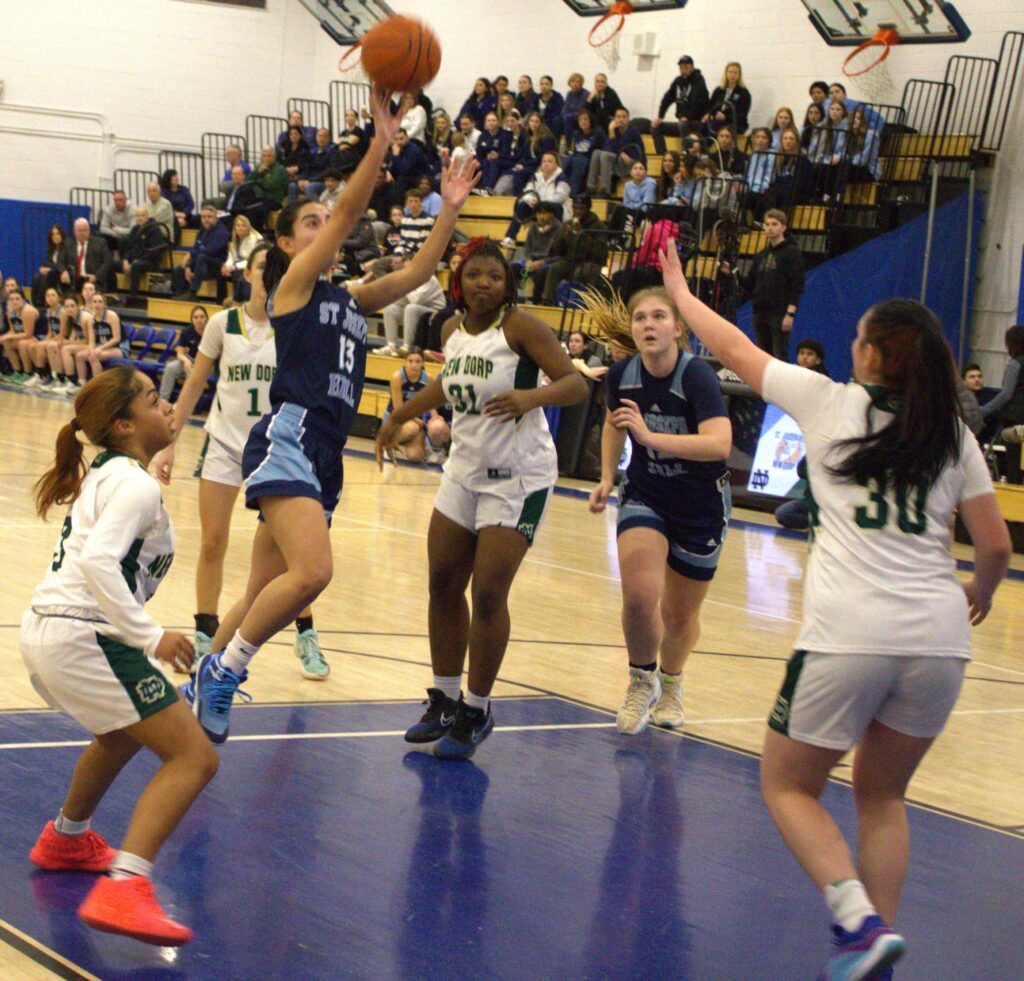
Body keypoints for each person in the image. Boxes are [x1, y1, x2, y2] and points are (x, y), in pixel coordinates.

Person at [658, 238, 1011, 981]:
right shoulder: (954, 432)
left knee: (788, 783)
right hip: (941, 642)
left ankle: (853, 916)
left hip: (852, 630)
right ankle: (875, 940)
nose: (849, 345)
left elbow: (732, 344)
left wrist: (683, 293)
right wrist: (978, 591)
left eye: (859, 338)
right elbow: (996, 544)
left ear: (877, 355)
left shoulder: (829, 401)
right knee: (884, 796)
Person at [181, 88, 481, 745]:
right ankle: (224, 674)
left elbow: (425, 269)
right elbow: (349, 212)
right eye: (310, 221)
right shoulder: (292, 288)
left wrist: (450, 210)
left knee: (263, 587)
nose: (326, 225)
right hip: (289, 436)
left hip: (324, 455)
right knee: (314, 573)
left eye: (325, 218)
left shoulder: (350, 295)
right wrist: (379, 144)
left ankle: (196, 680)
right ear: (286, 242)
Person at [22, 368, 219, 946]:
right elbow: (99, 564)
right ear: (126, 425)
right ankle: (126, 886)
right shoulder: (133, 485)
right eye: (156, 401)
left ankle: (67, 838)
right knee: (194, 758)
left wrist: (150, 472)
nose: (169, 408)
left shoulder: (111, 472)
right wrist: (150, 635)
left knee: (123, 732)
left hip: (49, 630)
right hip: (88, 635)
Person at [376, 239, 589, 759]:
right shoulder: (451, 331)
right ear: (459, 279)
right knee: (443, 582)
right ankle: (445, 698)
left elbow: (576, 386)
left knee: (490, 593)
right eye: (475, 274)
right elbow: (450, 386)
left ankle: (477, 706)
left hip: (519, 476)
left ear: (507, 283)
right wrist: (398, 416)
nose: (485, 283)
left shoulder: (521, 328)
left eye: (495, 275)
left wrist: (530, 397)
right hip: (464, 470)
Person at [151, 245, 328, 676]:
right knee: (213, 543)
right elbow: (194, 386)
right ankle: (204, 631)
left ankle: (305, 633)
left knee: (290, 557)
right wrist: (170, 441)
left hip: (277, 449)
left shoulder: (294, 323)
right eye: (262, 266)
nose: (268, 273)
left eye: (275, 267)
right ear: (247, 273)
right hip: (226, 445)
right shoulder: (221, 324)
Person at [587, 283, 731, 734]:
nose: (648, 324)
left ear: (678, 327)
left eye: (658, 317)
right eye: (640, 318)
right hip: (647, 494)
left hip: (701, 504)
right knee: (638, 598)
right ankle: (639, 680)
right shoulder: (622, 374)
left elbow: (719, 444)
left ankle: (671, 683)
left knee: (679, 616)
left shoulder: (696, 376)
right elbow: (616, 424)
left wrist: (650, 438)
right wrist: (608, 475)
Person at [740, 209, 805, 361]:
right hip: (759, 312)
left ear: (783, 227)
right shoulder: (761, 255)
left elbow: (797, 285)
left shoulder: (792, 253)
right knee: (763, 357)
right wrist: (732, 271)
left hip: (779, 313)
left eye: (774, 224)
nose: (770, 227)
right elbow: (750, 283)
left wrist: (790, 314)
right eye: (767, 224)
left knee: (780, 355)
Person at [541, 195, 609, 305]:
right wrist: (562, 237)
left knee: (580, 273)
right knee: (555, 268)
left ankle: (574, 304)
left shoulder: (598, 226)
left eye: (581, 208)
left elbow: (600, 252)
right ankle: (548, 302)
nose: (577, 211)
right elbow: (558, 251)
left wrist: (581, 235)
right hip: (571, 261)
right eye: (575, 208)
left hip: (591, 263)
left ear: (588, 209)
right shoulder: (568, 224)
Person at [501, 150, 571, 248]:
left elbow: (560, 197)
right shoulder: (536, 176)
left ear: (556, 165)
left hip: (556, 210)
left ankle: (555, 240)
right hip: (539, 209)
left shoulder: (561, 178)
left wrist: (540, 202)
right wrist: (530, 200)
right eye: (544, 161)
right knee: (522, 205)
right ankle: (510, 237)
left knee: (556, 206)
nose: (546, 164)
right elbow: (527, 192)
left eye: (550, 161)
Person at [981, 325, 1024, 482]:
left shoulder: (1015, 365)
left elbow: (1006, 394)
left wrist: (983, 410)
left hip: (1014, 420)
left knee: (1014, 462)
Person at [382, 347, 433, 462]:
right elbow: (399, 409)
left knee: (416, 456)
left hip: (416, 423)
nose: (414, 365)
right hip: (396, 420)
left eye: (417, 361)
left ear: (423, 363)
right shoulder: (397, 377)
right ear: (405, 362)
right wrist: (418, 421)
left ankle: (425, 444)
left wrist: (433, 418)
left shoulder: (428, 378)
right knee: (412, 427)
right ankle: (387, 443)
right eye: (410, 361)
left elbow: (431, 403)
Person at [652, 56, 710, 154]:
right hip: (682, 122)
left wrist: (687, 117)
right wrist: (660, 116)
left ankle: (686, 154)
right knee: (655, 127)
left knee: (683, 125)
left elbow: (698, 103)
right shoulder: (678, 81)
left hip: (696, 122)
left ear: (692, 67)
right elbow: (667, 98)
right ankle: (663, 156)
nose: (683, 71)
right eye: (681, 68)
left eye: (686, 68)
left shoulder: (698, 80)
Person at [379, 275, 447, 357]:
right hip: (417, 309)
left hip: (436, 311)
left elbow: (416, 300)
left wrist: (406, 287)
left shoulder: (428, 278)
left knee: (411, 308)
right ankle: (391, 346)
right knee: (390, 308)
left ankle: (407, 346)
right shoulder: (407, 277)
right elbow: (400, 301)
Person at [172, 206, 230, 299]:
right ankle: (182, 296)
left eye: (209, 217)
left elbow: (211, 250)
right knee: (179, 269)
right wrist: (189, 267)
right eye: (203, 217)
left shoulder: (222, 232)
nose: (206, 219)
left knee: (202, 257)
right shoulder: (202, 230)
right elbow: (195, 248)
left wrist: (191, 254)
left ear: (216, 217)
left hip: (217, 265)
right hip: (202, 264)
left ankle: (193, 292)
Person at [588, 108, 646, 199]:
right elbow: (607, 148)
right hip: (618, 160)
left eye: (624, 117)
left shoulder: (632, 132)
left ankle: (605, 190)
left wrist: (612, 135)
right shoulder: (614, 130)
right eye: (618, 117)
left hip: (632, 163)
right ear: (614, 119)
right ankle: (590, 187)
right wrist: (620, 151)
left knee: (605, 155)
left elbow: (619, 148)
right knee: (596, 153)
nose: (621, 119)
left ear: (628, 119)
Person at [158, 305, 207, 402]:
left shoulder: (211, 330)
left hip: (207, 363)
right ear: (192, 319)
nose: (199, 320)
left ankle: (185, 403)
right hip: (191, 360)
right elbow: (180, 353)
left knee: (191, 373)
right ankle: (163, 400)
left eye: (202, 317)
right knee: (170, 368)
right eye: (196, 317)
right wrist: (185, 360)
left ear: (206, 318)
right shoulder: (187, 331)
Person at [74, 293, 125, 384]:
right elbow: (92, 341)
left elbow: (116, 338)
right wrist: (91, 350)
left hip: (119, 347)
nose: (97, 304)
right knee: (79, 356)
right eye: (94, 301)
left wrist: (99, 348)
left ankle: (98, 386)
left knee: (94, 356)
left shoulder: (112, 316)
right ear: (91, 304)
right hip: (102, 347)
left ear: (104, 304)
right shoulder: (91, 319)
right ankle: (82, 383)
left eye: (100, 302)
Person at [516, 201, 562, 301]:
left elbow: (560, 255)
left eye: (544, 213)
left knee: (542, 271)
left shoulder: (560, 229)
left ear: (551, 214)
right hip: (532, 260)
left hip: (549, 262)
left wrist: (542, 262)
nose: (541, 216)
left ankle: (536, 300)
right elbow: (527, 248)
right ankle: (514, 297)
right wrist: (528, 260)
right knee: (513, 267)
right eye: (539, 213)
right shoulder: (533, 228)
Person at [48, 293, 93, 394]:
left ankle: (72, 381)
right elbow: (74, 333)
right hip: (83, 342)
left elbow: (88, 341)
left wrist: (68, 342)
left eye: (72, 306)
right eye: (67, 306)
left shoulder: (84, 318)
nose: (69, 308)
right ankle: (59, 380)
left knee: (66, 349)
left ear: (78, 306)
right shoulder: (71, 317)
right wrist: (64, 341)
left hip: (93, 344)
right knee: (56, 345)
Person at [20, 287, 63, 389]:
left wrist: (47, 342)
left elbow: (63, 333)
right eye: (48, 296)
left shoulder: (62, 311)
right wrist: (45, 341)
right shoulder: (48, 311)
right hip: (53, 338)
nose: (50, 298)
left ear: (59, 298)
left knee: (43, 346)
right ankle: (43, 374)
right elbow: (50, 331)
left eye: (53, 295)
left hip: (63, 339)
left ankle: (53, 378)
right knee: (32, 346)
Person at [122, 206, 169, 297]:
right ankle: (111, 295)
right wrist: (125, 260)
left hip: (152, 263)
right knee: (113, 264)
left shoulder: (154, 229)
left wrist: (138, 260)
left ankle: (133, 296)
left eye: (142, 215)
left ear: (147, 216)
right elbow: (129, 247)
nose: (140, 218)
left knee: (136, 265)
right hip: (135, 261)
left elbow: (154, 253)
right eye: (138, 216)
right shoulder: (135, 230)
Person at [58, 219, 114, 294]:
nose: (82, 233)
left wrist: (96, 276)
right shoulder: (67, 243)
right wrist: (63, 271)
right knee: (53, 276)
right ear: (74, 231)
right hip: (73, 280)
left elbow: (107, 261)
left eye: (84, 230)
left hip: (92, 278)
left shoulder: (100, 243)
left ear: (89, 231)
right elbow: (60, 260)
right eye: (79, 231)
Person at [221, 215, 264, 303]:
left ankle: (237, 299)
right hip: (237, 265)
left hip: (250, 266)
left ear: (248, 226)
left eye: (243, 225)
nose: (240, 228)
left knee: (239, 273)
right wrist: (227, 266)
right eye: (238, 225)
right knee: (221, 272)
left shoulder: (255, 239)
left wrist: (234, 267)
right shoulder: (234, 239)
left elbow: (251, 260)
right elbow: (231, 256)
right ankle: (222, 300)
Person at [563, 109, 605, 196]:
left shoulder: (598, 132)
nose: (583, 122)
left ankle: (572, 192)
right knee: (566, 159)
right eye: (580, 119)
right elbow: (575, 150)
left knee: (579, 161)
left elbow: (603, 149)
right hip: (578, 157)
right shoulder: (577, 133)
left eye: (585, 119)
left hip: (592, 160)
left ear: (590, 120)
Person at [2, 289, 40, 383]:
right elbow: (12, 331)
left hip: (38, 336)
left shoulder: (27, 310)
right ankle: (17, 371)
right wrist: (4, 337)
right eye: (12, 299)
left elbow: (28, 334)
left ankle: (27, 372)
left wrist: (7, 336)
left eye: (17, 299)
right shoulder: (11, 312)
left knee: (22, 344)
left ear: (23, 300)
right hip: (25, 337)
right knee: (6, 342)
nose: (14, 301)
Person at [702, 62, 751, 135]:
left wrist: (725, 117)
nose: (732, 75)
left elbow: (742, 115)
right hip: (716, 120)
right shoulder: (719, 90)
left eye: (735, 73)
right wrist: (709, 114)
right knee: (702, 125)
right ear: (726, 74)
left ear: (739, 75)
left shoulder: (744, 93)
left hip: (735, 123)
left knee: (715, 125)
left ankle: (711, 145)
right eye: (730, 72)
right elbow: (711, 106)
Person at [295, 128, 343, 201]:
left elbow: (330, 171)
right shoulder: (313, 151)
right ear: (316, 137)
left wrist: (310, 181)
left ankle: (317, 210)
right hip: (310, 179)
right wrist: (301, 179)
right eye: (319, 136)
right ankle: (293, 210)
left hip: (324, 181)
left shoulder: (333, 152)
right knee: (292, 186)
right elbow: (306, 167)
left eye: (324, 136)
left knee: (310, 187)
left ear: (329, 138)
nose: (321, 138)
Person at [32, 225, 68, 306]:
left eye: (57, 234)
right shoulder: (51, 250)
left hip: (62, 274)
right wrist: (42, 268)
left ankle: (43, 300)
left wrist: (51, 268)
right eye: (53, 234)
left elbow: (61, 264)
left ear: (62, 235)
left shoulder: (67, 249)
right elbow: (47, 263)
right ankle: (36, 302)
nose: (55, 236)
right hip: (53, 272)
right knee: (37, 277)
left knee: (48, 276)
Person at [476, 111, 511, 192]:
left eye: (493, 120)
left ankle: (489, 187)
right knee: (484, 162)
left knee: (493, 161)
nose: (491, 123)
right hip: (487, 160)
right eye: (488, 120)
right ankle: (482, 187)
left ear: (498, 122)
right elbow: (479, 152)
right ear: (485, 123)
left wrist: (498, 155)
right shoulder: (483, 136)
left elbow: (507, 152)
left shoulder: (505, 134)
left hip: (503, 160)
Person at [160, 169, 197, 237]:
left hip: (186, 215)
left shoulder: (184, 189)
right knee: (176, 223)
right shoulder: (164, 191)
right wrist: (176, 215)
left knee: (200, 218)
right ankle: (173, 245)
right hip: (171, 217)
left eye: (176, 175)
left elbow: (191, 203)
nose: (176, 177)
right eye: (174, 176)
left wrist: (184, 213)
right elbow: (165, 206)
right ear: (168, 178)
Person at [99, 191, 133, 258]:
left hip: (128, 239)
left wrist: (115, 228)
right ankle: (107, 262)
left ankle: (124, 264)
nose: (117, 202)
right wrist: (118, 234)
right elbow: (102, 229)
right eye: (115, 200)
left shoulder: (132, 210)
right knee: (101, 238)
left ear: (126, 200)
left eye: (120, 200)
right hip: (114, 237)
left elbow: (132, 231)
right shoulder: (108, 209)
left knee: (125, 241)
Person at [337, 108, 369, 173]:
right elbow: (337, 145)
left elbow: (348, 144)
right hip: (345, 157)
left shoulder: (358, 131)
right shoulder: (343, 132)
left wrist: (343, 141)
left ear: (356, 118)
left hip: (357, 157)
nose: (349, 117)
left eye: (352, 115)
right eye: (347, 115)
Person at [144, 182, 175, 246]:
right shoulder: (146, 204)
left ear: (159, 192)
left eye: (154, 191)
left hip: (164, 236)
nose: (151, 194)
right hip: (150, 235)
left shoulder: (166, 204)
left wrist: (144, 218)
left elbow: (154, 220)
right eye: (149, 192)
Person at [562, 73, 590, 140]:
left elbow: (580, 110)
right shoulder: (569, 93)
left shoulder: (585, 94)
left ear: (581, 84)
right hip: (569, 117)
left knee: (568, 119)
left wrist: (568, 115)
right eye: (572, 82)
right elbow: (565, 109)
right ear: (569, 83)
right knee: (557, 120)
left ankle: (568, 146)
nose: (575, 84)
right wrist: (565, 115)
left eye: (577, 82)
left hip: (580, 118)